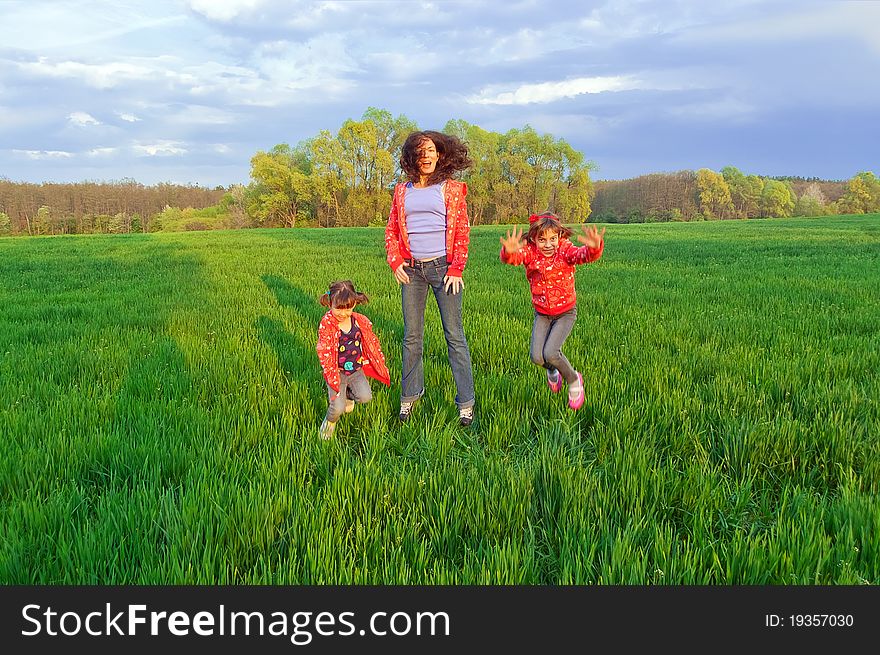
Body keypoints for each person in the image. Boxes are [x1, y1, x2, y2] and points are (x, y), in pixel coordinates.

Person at [385, 130, 476, 426]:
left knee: (455, 336)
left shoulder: (451, 189)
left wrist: (457, 267)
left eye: (431, 151)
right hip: (412, 271)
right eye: (420, 152)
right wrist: (395, 260)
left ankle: (466, 404)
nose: (426, 156)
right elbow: (392, 231)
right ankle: (409, 398)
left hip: (443, 270)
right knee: (412, 337)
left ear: (440, 154)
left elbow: (462, 230)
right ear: (412, 157)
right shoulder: (401, 191)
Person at [499, 212, 605, 410]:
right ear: (533, 239)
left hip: (565, 313)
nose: (548, 245)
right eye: (542, 240)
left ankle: (573, 380)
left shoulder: (565, 250)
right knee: (537, 357)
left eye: (552, 239)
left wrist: (593, 248)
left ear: (559, 237)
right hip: (543, 314)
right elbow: (515, 257)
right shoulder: (530, 253)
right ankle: (553, 371)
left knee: (551, 352)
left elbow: (581, 255)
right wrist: (509, 252)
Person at [315, 280, 390, 439]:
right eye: (338, 309)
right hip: (338, 373)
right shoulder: (327, 325)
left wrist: (373, 358)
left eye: (348, 309)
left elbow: (370, 340)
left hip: (356, 370)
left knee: (365, 397)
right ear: (330, 304)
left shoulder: (359, 321)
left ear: (355, 304)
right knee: (337, 408)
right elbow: (323, 349)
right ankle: (329, 423)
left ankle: (349, 395)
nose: (343, 314)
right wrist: (331, 373)